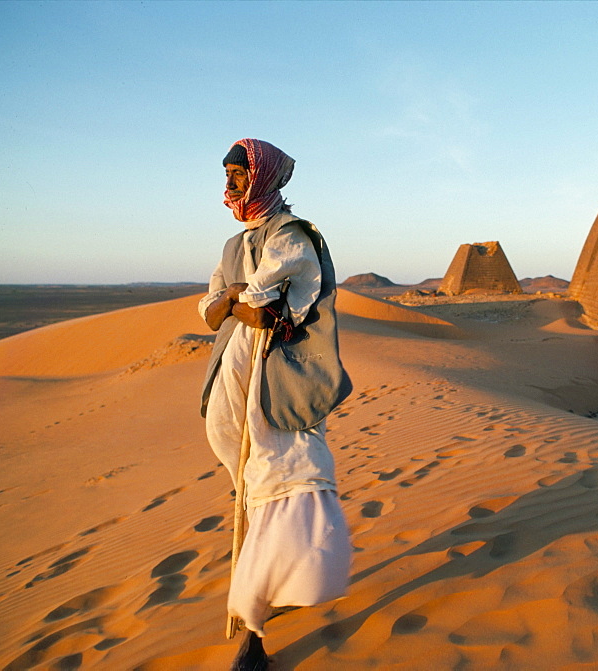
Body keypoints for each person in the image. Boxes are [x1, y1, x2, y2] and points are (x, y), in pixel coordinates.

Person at [198, 138, 352, 671]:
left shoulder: (291, 236)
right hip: (234, 375)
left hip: (280, 381)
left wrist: (237, 299)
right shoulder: (230, 245)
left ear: (262, 176)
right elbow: (212, 310)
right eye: (228, 174)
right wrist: (235, 299)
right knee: (248, 487)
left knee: (279, 482)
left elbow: (261, 308)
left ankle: (255, 631)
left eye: (239, 173)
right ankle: (259, 602)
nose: (231, 182)